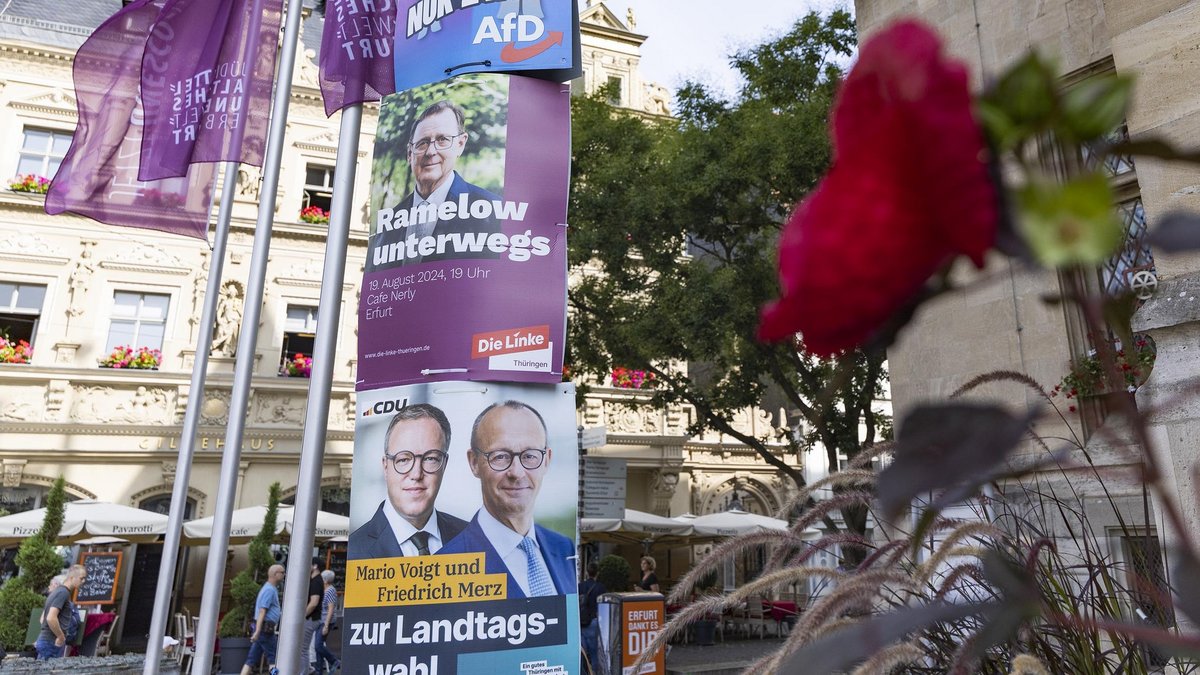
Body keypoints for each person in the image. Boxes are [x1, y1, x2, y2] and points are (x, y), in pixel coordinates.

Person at [440, 401, 576, 598]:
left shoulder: (564, 549)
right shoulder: (447, 567)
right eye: (501, 456)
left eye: (530, 456)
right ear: (474, 463)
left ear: (546, 460)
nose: (517, 473)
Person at [367, 100, 502, 271]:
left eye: (442, 140)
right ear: (410, 153)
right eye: (422, 143)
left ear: (460, 144)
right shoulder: (388, 224)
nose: (430, 152)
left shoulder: (492, 212)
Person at [349, 404, 468, 559]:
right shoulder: (354, 550)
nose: (416, 474)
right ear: (386, 467)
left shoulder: (473, 539)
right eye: (404, 459)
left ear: (444, 464)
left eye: (430, 458)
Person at [241, 564, 285, 675]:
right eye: (282, 572)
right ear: (275, 574)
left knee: (251, 659)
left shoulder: (269, 588)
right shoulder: (269, 590)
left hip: (262, 629)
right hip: (265, 629)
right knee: (274, 658)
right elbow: (262, 611)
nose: (284, 575)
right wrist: (257, 631)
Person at [34, 564, 85, 660]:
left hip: (47, 641)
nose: (83, 581)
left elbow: (43, 618)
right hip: (51, 642)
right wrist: (61, 637)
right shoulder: (63, 593)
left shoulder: (57, 592)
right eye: (81, 578)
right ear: (71, 577)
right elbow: (50, 618)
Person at [579, 562, 605, 674]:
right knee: (594, 652)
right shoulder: (600, 587)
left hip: (581, 621)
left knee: (583, 652)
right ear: (597, 573)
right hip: (594, 620)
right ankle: (594, 672)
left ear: (586, 573)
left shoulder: (580, 586)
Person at [314, 570, 340, 675]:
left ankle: (334, 661)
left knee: (318, 645)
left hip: (326, 622)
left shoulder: (330, 590)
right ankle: (319, 671)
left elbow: (331, 609)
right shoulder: (323, 590)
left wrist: (326, 625)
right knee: (318, 646)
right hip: (320, 621)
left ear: (325, 580)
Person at [301, 558, 323, 675]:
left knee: (302, 650)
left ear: (315, 566)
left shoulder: (316, 581)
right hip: (313, 618)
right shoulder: (316, 580)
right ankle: (308, 670)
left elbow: (314, 602)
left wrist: (302, 616)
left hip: (311, 619)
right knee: (303, 649)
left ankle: (305, 672)